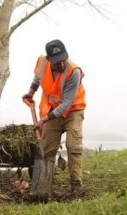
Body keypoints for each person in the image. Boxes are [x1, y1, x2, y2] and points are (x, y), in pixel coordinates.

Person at [22, 39, 86, 194]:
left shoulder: (74, 71)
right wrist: (31, 92)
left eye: (63, 59)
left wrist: (42, 120)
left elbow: (66, 104)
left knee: (73, 147)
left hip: (73, 111)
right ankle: (41, 188)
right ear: (49, 59)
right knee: (46, 149)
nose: (61, 64)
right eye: (57, 62)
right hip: (51, 111)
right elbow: (37, 78)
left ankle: (76, 186)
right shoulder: (42, 62)